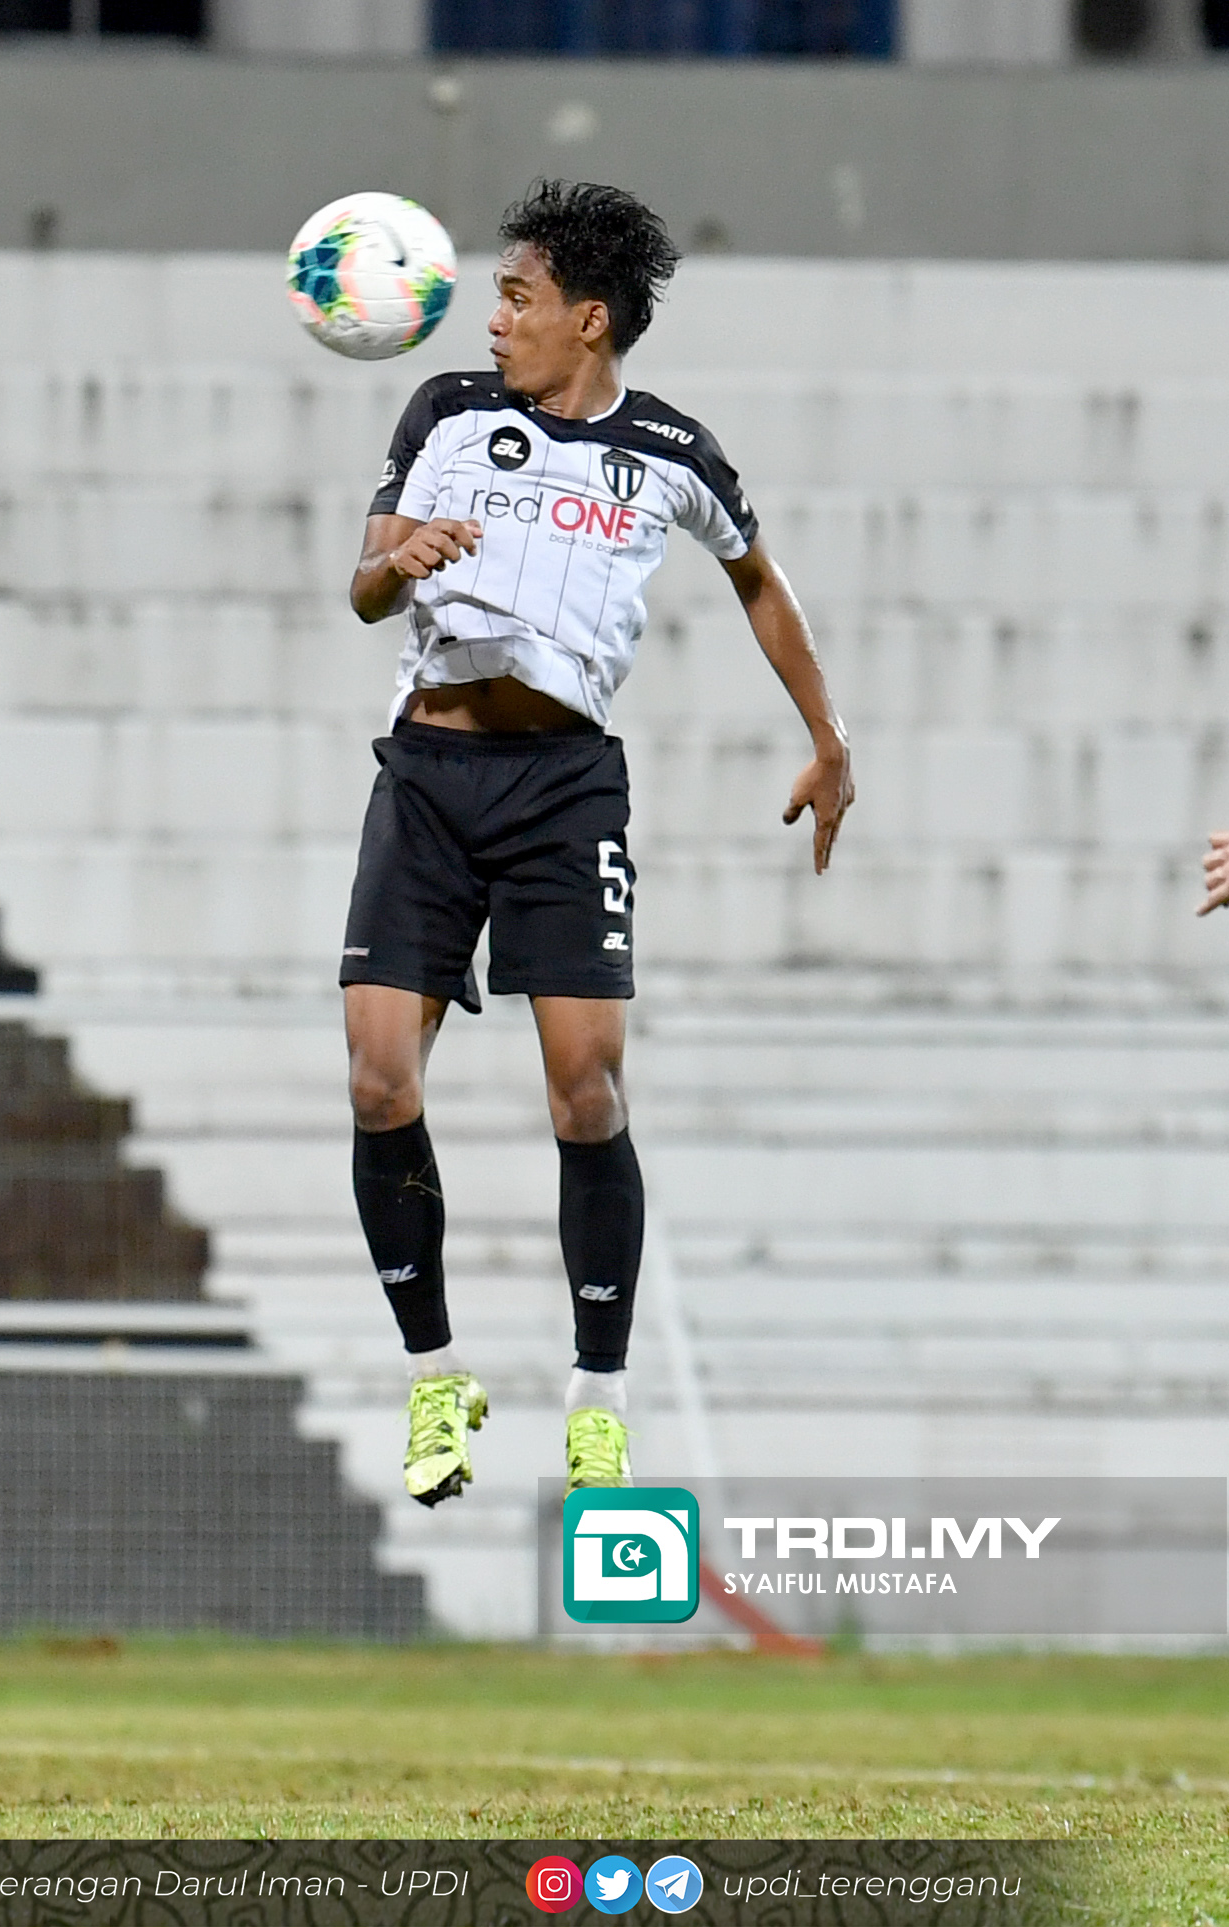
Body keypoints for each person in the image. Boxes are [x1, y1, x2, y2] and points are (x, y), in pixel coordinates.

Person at [340, 180, 855, 1504]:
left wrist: (828, 737)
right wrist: (405, 555)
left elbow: (758, 578)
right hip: (428, 773)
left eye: (515, 296)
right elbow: (363, 588)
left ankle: (599, 1396)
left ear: (588, 318)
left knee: (585, 1091)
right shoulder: (445, 412)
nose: (491, 318)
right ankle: (435, 1376)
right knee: (380, 1080)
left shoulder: (671, 449)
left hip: (564, 789)